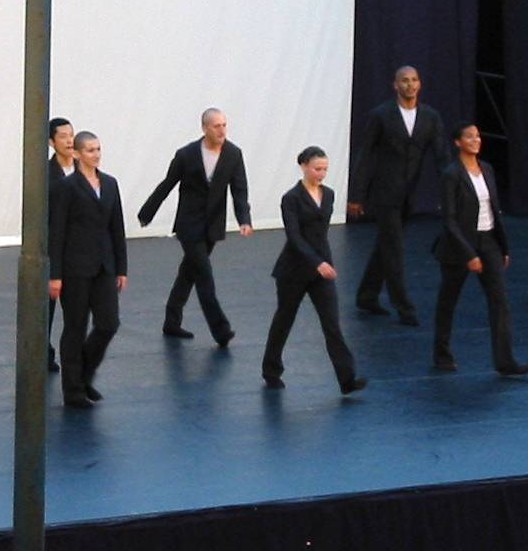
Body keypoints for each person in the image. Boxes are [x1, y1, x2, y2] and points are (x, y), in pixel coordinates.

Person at [137, 108, 252, 346]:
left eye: (224, 125)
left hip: (212, 225)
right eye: (216, 126)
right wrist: (147, 213)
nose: (222, 130)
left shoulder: (233, 154)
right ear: (204, 128)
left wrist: (244, 219)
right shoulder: (186, 154)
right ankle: (221, 330)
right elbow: (167, 184)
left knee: (188, 272)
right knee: (204, 275)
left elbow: (239, 189)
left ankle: (171, 320)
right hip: (189, 224)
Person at [262, 148, 366, 396]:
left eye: (325, 169)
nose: (322, 174)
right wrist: (317, 262)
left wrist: (324, 263)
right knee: (284, 319)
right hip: (294, 270)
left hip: (321, 270)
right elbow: (294, 236)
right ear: (304, 167)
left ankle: (347, 379)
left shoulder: (328, 194)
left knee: (332, 323)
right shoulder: (291, 198)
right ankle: (271, 369)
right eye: (317, 169)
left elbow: (320, 234)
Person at [347, 66, 447, 325]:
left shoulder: (430, 117)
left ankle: (367, 295)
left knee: (386, 245)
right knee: (394, 248)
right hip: (384, 192)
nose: (410, 85)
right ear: (395, 85)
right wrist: (356, 195)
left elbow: (441, 155)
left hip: (409, 194)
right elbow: (366, 155)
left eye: (414, 80)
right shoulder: (381, 115)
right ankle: (404, 306)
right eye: (404, 80)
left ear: (420, 84)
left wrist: (453, 188)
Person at [432, 123, 528, 377]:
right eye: (470, 137)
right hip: (459, 246)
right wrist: (469, 254)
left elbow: (493, 209)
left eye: (477, 136)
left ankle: (505, 361)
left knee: (499, 300)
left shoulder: (486, 169)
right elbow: (449, 220)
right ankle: (441, 353)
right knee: (448, 300)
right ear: (458, 142)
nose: (476, 140)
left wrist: (503, 246)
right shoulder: (451, 174)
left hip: (488, 241)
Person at [48, 132, 128, 410]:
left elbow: (116, 227)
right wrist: (55, 274)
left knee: (109, 323)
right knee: (75, 327)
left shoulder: (110, 183)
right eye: (90, 150)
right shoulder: (66, 187)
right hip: (75, 268)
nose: (96, 154)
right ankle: (73, 390)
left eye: (98, 149)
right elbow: (57, 231)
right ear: (77, 154)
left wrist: (121, 268)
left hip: (104, 265)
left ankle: (83, 375)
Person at [45, 118, 77, 374]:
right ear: (51, 142)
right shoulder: (46, 174)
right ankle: (43, 353)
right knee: (46, 310)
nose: (69, 140)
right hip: (55, 250)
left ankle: (74, 359)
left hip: (80, 252)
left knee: (77, 311)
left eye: (71, 135)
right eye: (63, 136)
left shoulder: (84, 168)